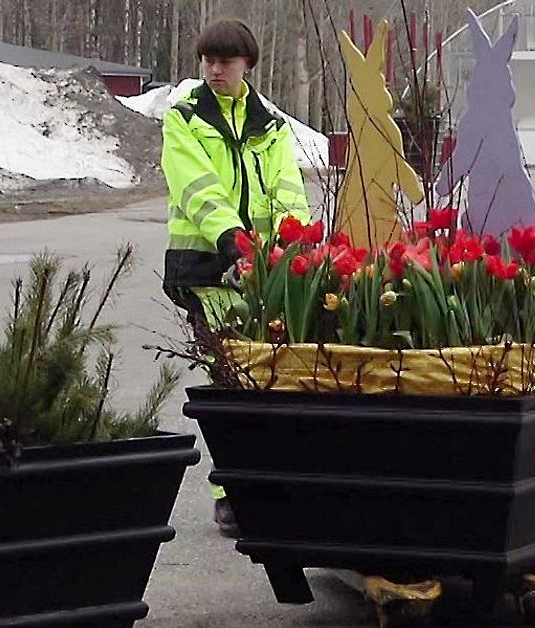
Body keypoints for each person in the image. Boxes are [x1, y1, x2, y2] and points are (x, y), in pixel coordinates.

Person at [160, 18, 311, 537]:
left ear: (247, 64)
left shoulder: (270, 125)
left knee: (269, 379)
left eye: (225, 60)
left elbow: (288, 190)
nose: (215, 69)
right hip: (208, 269)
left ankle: (267, 483)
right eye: (208, 60)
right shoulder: (184, 119)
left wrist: (298, 245)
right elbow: (197, 191)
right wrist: (234, 243)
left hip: (263, 274)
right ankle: (231, 491)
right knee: (228, 380)